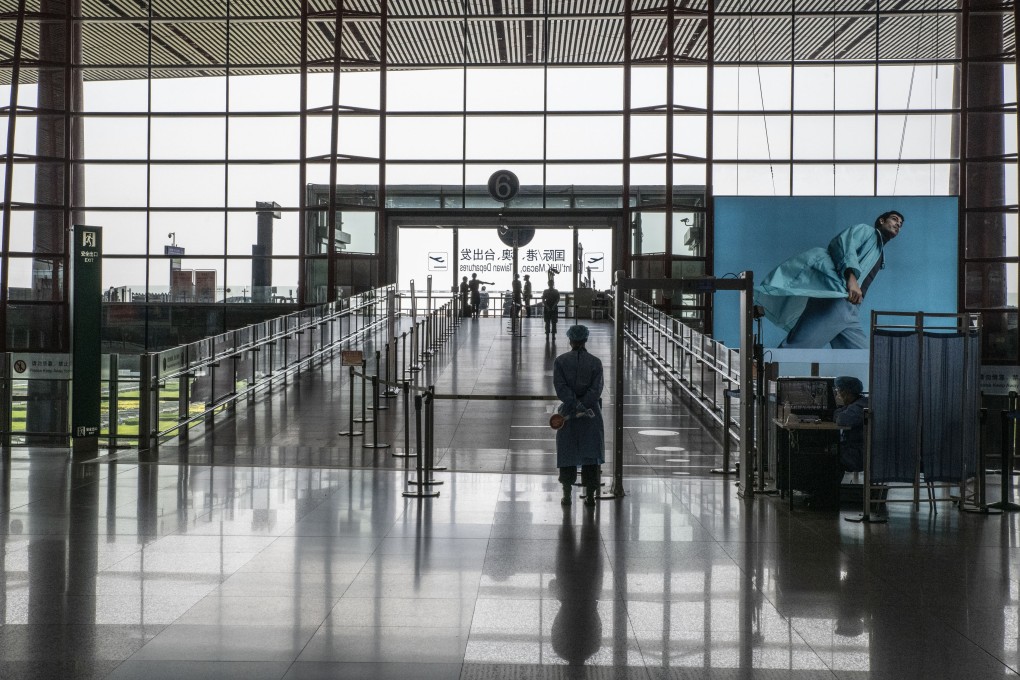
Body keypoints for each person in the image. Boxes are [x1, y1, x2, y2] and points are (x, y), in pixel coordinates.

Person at [754, 211, 903, 349]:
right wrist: (851, 278)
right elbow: (844, 245)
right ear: (882, 221)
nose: (898, 224)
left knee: (863, 357)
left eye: (900, 224)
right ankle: (763, 365)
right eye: (894, 219)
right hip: (836, 300)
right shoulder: (867, 231)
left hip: (851, 308)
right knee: (798, 346)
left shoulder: (879, 251)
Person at [553, 324, 605, 507]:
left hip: (568, 415)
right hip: (590, 415)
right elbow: (596, 389)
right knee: (591, 454)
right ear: (586, 339)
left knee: (567, 454)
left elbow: (560, 387)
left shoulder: (560, 362)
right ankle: (590, 496)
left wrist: (574, 404)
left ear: (570, 340)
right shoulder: (595, 363)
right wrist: (584, 404)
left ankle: (567, 494)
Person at [833, 376, 867, 474]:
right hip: (858, 448)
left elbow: (841, 419)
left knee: (828, 453)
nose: (837, 394)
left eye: (839, 391)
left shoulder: (860, 407)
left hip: (858, 453)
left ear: (846, 393)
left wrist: (839, 410)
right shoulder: (857, 403)